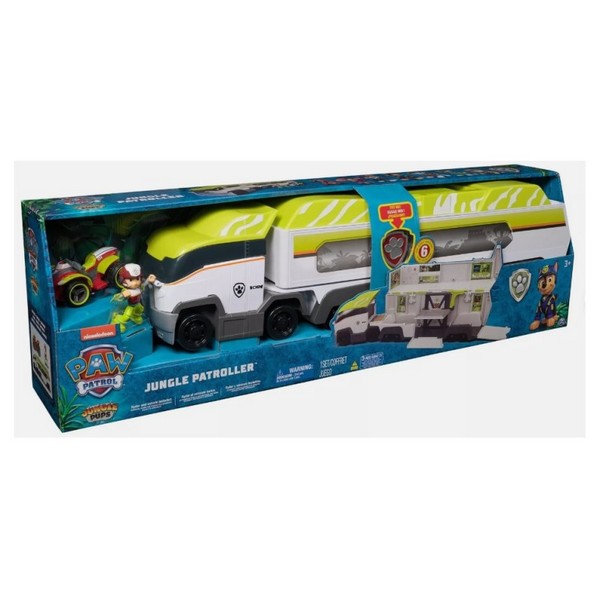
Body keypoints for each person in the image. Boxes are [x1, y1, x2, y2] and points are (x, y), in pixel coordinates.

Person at [111, 263, 159, 332]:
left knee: (140, 309)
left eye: (137, 279)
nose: (135, 283)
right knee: (126, 316)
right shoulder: (127, 291)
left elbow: (144, 285)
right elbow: (119, 298)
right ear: (123, 280)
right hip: (130, 305)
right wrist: (123, 295)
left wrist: (148, 280)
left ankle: (135, 316)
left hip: (137, 304)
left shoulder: (139, 288)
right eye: (131, 280)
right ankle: (117, 320)